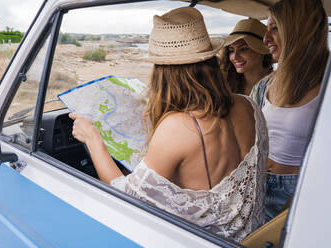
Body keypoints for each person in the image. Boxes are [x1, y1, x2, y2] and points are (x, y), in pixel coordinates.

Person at [69, 7, 268, 242]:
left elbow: (127, 197)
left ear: (163, 71)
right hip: (254, 238)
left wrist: (92, 138)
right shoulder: (249, 106)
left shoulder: (178, 127)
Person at [250, 0, 329, 221]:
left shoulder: (329, 86)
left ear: (298, 31)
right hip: (260, 185)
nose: (266, 39)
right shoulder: (264, 86)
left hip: (299, 193)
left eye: (274, 28)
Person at [220, 19, 273, 95]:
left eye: (243, 49)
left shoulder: (277, 83)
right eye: (231, 50)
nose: (235, 57)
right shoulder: (226, 83)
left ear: (261, 52)